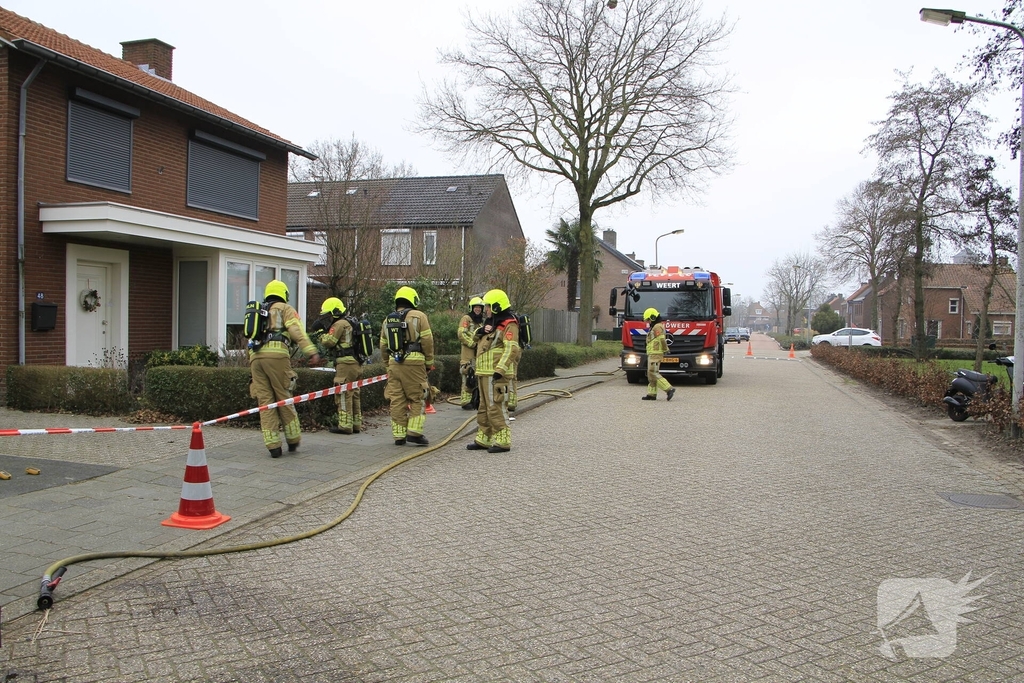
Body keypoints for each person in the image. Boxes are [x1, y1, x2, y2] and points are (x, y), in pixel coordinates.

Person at [249, 280, 320, 458]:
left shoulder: (259, 311)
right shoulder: (285, 308)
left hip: (255, 358)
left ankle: (273, 446)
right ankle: (293, 439)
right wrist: (311, 351)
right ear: (284, 294)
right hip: (277, 356)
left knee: (265, 402)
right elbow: (296, 330)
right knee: (284, 397)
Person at [466, 288, 520, 453]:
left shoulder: (509, 324)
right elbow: (475, 340)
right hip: (484, 373)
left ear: (497, 306)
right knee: (483, 407)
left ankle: (503, 440)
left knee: (496, 407)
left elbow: (512, 349)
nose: (486, 310)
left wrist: (500, 369)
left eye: (488, 306)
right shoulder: (491, 323)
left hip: (496, 374)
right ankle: (484, 438)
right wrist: (480, 331)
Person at [380, 286, 434, 446]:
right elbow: (427, 341)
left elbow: (383, 345)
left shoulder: (387, 320)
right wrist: (429, 362)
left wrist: (387, 364)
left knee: (397, 399)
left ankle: (399, 435)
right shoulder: (419, 316)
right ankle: (414, 433)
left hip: (393, 363)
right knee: (418, 396)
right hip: (414, 363)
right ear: (413, 300)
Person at [316, 297, 363, 435]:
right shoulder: (351, 322)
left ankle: (345, 426)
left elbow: (329, 342)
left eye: (329, 314)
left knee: (343, 393)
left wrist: (320, 333)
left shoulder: (339, 324)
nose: (328, 318)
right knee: (354, 393)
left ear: (335, 312)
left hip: (345, 364)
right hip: (356, 363)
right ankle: (356, 424)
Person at [458, 296, 486, 409]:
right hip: (468, 354)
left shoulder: (481, 322)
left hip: (478, 354)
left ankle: (475, 399)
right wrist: (473, 344)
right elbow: (461, 334)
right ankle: (465, 401)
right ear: (471, 308)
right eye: (476, 307)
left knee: (476, 376)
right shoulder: (466, 319)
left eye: (480, 307)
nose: (478, 309)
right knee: (467, 374)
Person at [642, 307, 675, 402]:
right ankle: (651, 394)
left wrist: (665, 349)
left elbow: (661, 339)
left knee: (653, 373)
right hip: (652, 353)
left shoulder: (657, 327)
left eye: (648, 319)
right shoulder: (655, 326)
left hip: (656, 354)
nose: (648, 322)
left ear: (653, 317)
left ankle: (669, 389)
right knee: (650, 374)